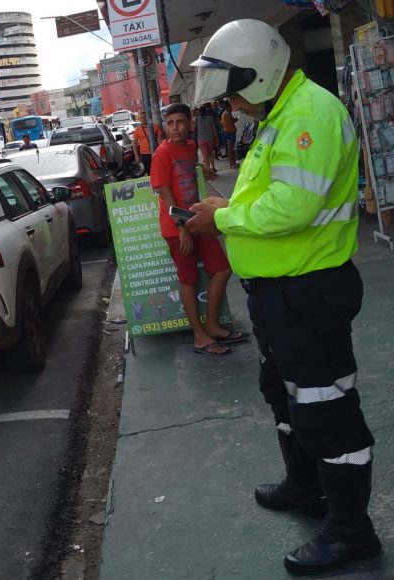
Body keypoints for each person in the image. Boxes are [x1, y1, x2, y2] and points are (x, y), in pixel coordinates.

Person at [185, 19, 381, 576]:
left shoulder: (309, 115)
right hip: (280, 293)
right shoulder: (280, 114)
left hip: (308, 291)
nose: (233, 103)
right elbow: (270, 196)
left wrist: (219, 215)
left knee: (327, 409)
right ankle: (306, 488)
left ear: (261, 73)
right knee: (286, 393)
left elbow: (291, 208)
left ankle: (352, 533)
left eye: (235, 89)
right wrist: (224, 213)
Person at [150, 103, 244, 356]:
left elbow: (190, 173)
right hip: (176, 228)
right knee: (188, 279)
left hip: (198, 219)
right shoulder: (162, 153)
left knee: (222, 270)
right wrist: (181, 228)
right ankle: (199, 336)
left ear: (190, 124)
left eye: (179, 122)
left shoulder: (191, 147)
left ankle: (212, 325)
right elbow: (166, 193)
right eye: (170, 123)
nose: (174, 128)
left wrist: (206, 169)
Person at [194, 104, 218, 171]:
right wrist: (216, 139)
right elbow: (214, 130)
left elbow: (194, 129)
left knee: (205, 156)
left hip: (201, 140)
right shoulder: (210, 118)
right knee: (211, 154)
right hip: (210, 139)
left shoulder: (197, 119)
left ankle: (208, 170)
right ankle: (213, 167)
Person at [221, 100, 239, 169]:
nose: (232, 108)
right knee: (230, 149)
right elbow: (231, 122)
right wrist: (235, 120)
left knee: (231, 148)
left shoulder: (225, 113)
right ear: (228, 107)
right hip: (230, 133)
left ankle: (233, 162)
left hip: (228, 132)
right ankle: (232, 163)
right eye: (231, 107)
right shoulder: (227, 114)